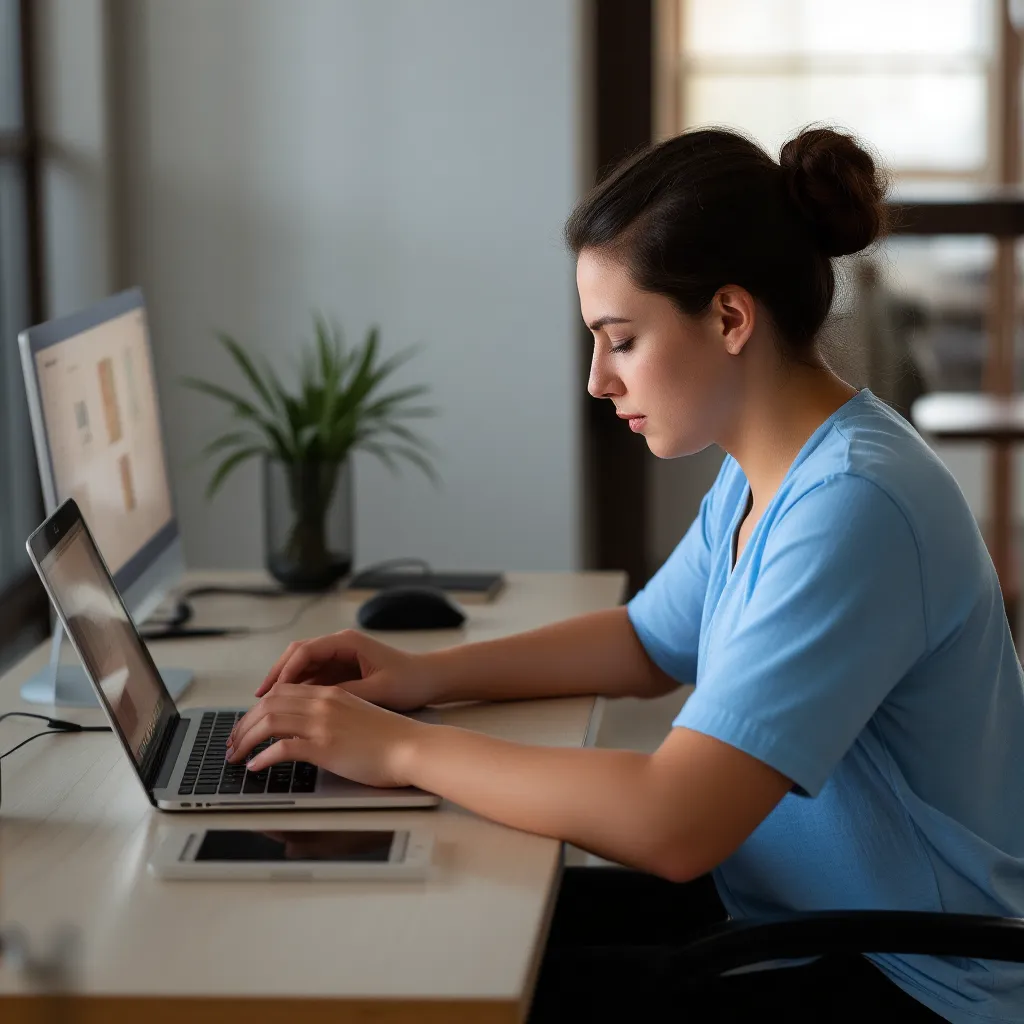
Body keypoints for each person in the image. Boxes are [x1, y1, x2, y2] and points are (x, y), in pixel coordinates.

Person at [225, 127, 1024, 1022]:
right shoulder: (774, 468)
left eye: (621, 339)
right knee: (450, 920)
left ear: (730, 318)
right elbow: (649, 640)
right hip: (788, 909)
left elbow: (672, 823)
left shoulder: (853, 505)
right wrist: (418, 677)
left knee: (447, 983)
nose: (599, 380)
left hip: (913, 978)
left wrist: (399, 748)